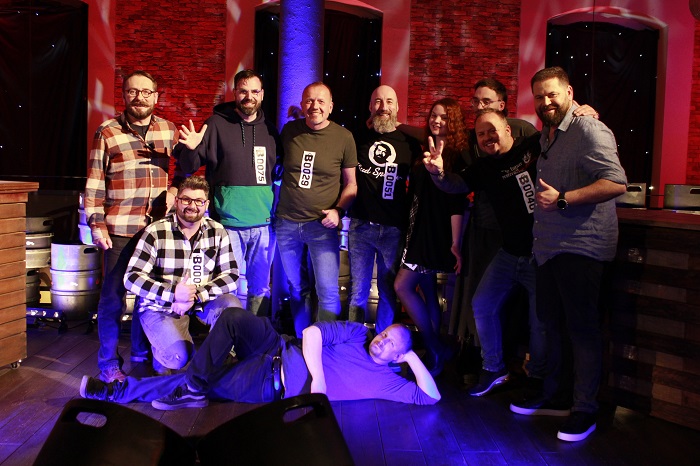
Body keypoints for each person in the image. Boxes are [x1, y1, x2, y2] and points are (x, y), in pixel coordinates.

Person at [509, 66, 627, 443]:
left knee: (582, 330)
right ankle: (561, 397)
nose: (546, 102)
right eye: (539, 96)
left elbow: (616, 182)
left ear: (569, 92)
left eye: (552, 94)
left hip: (582, 246)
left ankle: (585, 409)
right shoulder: (547, 134)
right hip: (550, 249)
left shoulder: (589, 129)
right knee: (553, 326)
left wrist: (563, 199)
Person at [79, 307, 441, 409]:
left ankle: (115, 393)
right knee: (233, 317)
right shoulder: (359, 333)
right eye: (385, 333)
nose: (381, 340)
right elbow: (312, 333)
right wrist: (318, 379)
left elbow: (431, 396)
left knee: (196, 381)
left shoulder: (389, 381)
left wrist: (412, 358)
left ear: (399, 355)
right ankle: (194, 386)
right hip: (277, 346)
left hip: (268, 383)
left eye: (391, 343)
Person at [424, 108, 545, 396]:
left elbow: (560, 131)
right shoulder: (483, 167)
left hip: (541, 254)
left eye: (492, 130)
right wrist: (438, 173)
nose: (488, 137)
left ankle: (538, 378)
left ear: (508, 130)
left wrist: (581, 112)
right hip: (509, 252)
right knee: (482, 305)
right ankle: (494, 368)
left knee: (540, 320)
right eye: (481, 134)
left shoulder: (532, 146)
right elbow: (455, 184)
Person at [84, 70, 179, 383]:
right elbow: (95, 181)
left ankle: (142, 353)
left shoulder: (168, 130)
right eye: (133, 91)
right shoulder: (107, 132)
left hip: (156, 232)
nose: (139, 97)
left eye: (146, 92)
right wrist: (96, 223)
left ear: (156, 96)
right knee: (113, 299)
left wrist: (176, 187)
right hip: (120, 230)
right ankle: (108, 363)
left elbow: (186, 167)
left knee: (148, 297)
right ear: (124, 95)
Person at [174, 69, 280, 317]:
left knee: (260, 288)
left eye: (254, 91)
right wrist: (190, 149)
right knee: (225, 287)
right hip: (227, 226)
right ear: (234, 92)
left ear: (262, 94)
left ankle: (255, 332)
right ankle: (227, 333)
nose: (249, 96)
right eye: (243, 91)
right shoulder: (215, 124)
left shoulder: (270, 130)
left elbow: (278, 172)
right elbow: (189, 166)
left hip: (264, 226)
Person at [124, 176, 240, 374]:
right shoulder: (156, 231)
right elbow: (131, 277)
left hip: (201, 303)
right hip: (161, 307)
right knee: (178, 357)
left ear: (206, 204)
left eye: (198, 201)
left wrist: (197, 295)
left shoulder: (217, 231)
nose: (192, 206)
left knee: (232, 307)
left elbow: (232, 275)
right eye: (186, 200)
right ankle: (164, 352)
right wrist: (172, 294)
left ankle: (213, 364)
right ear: (177, 201)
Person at [275, 82, 358, 337]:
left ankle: (325, 346)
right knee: (296, 288)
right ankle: (303, 342)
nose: (315, 106)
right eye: (310, 101)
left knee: (328, 292)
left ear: (331, 106)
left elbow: (351, 184)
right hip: (287, 224)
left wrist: (339, 211)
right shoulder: (290, 131)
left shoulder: (343, 137)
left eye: (321, 101)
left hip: (322, 226)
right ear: (302, 105)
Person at [394, 98, 466, 377]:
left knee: (402, 286)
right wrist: (395, 123)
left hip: (433, 233)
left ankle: (436, 347)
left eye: (444, 117)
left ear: (454, 121)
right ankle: (435, 356)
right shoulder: (426, 146)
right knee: (428, 291)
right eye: (434, 115)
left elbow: (457, 203)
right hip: (417, 228)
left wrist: (456, 243)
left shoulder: (455, 155)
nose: (437, 121)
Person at [347, 85, 424, 334]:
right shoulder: (357, 137)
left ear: (397, 107)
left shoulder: (409, 143)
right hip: (361, 225)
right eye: (378, 102)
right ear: (370, 106)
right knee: (357, 290)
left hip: (394, 228)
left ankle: (383, 343)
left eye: (389, 101)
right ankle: (354, 341)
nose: (383, 107)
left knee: (388, 290)